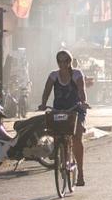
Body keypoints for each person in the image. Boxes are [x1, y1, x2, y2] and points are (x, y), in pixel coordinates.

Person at [38, 49, 91, 186]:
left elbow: (81, 89)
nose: (63, 64)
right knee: (56, 134)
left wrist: (83, 102)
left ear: (70, 61)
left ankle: (80, 173)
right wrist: (43, 103)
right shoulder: (54, 75)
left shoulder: (77, 73)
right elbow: (47, 90)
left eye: (66, 61)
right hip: (59, 109)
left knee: (77, 137)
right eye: (60, 61)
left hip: (75, 109)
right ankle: (60, 154)